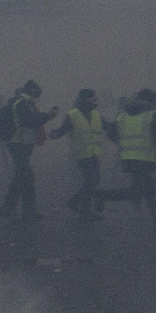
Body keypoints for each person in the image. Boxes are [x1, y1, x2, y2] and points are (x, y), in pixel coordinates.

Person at [101, 92, 156, 232]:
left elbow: (112, 132)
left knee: (147, 190)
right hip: (146, 158)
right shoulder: (152, 115)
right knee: (144, 191)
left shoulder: (123, 116)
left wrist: (124, 144)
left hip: (128, 158)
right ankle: (101, 196)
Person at [0, 80, 58, 223]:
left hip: (21, 145)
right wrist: (48, 116)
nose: (38, 96)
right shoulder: (22, 104)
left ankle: (9, 208)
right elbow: (29, 120)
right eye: (37, 93)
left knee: (20, 178)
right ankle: (26, 212)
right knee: (27, 178)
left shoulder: (26, 104)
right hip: (18, 144)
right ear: (31, 92)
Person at [64, 88, 106, 220]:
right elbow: (64, 129)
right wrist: (54, 134)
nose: (95, 101)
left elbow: (107, 126)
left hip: (92, 152)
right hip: (81, 153)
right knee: (91, 181)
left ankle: (75, 203)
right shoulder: (73, 114)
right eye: (92, 98)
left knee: (95, 179)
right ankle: (84, 211)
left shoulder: (95, 114)